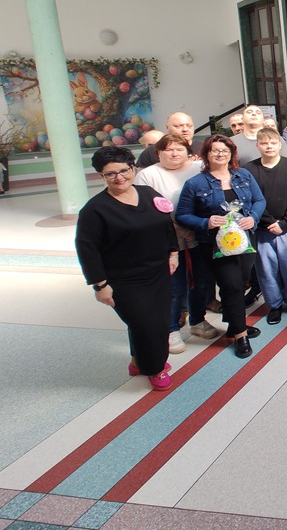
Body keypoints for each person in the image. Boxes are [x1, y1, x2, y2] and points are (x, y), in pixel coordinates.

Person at [76, 146, 178, 391]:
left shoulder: (148, 193)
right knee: (147, 324)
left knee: (158, 320)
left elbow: (166, 225)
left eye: (124, 170)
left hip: (157, 272)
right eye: (110, 174)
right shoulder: (95, 209)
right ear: (101, 176)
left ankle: (138, 361)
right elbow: (87, 249)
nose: (119, 177)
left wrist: (173, 252)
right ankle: (155, 367)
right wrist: (99, 285)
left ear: (133, 168)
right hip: (123, 279)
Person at [176, 135, 266, 359]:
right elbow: (182, 215)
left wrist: (253, 217)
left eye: (225, 151)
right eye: (215, 150)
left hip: (245, 241)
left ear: (231, 154)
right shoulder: (195, 183)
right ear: (206, 154)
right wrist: (206, 222)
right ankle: (240, 335)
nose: (220, 154)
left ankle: (235, 324)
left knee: (239, 283)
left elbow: (259, 200)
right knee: (232, 285)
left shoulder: (243, 175)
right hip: (215, 245)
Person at [135, 134, 221, 354]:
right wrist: (177, 228)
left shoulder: (199, 168)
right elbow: (144, 210)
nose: (174, 154)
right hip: (166, 240)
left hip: (199, 234)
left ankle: (198, 320)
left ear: (188, 152)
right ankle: (171, 329)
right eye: (169, 150)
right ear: (158, 153)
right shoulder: (147, 175)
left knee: (201, 281)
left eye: (179, 149)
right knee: (174, 286)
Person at [245, 127, 287, 325]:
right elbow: (249, 199)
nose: (269, 146)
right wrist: (267, 221)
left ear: (280, 145)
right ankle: (274, 305)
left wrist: (285, 223)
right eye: (264, 143)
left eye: (273, 142)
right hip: (262, 229)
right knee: (266, 270)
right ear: (257, 145)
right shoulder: (249, 170)